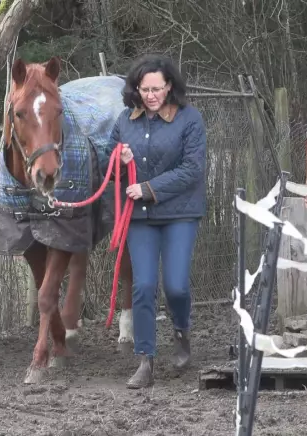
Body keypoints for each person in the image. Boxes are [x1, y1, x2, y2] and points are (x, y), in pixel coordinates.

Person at [106, 54, 207, 389]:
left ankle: (181, 330)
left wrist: (149, 188)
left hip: (179, 212)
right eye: (144, 89)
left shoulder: (189, 119)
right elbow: (111, 171)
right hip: (139, 218)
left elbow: (193, 169)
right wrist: (120, 162)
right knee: (143, 285)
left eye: (157, 89)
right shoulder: (125, 120)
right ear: (136, 88)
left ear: (169, 87)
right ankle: (145, 360)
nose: (150, 95)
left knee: (175, 285)